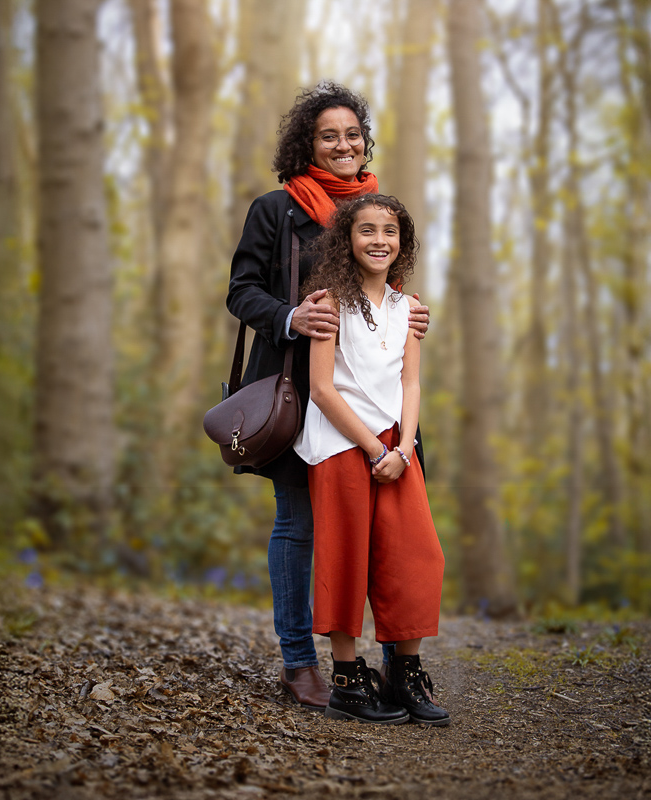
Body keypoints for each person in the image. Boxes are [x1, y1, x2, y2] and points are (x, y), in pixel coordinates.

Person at [225, 82, 430, 711]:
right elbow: (241, 291)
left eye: (351, 134)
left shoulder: (376, 209)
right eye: (327, 136)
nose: (343, 145)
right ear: (307, 145)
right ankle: (299, 664)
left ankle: (401, 666)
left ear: (365, 140)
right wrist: (292, 318)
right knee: (299, 525)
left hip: (374, 395)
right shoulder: (276, 209)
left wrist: (410, 313)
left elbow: (385, 289)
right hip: (301, 390)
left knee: (394, 527)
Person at [293, 194, 448, 726]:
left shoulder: (410, 308)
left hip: (396, 448)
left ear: (402, 241)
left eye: (390, 230)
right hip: (341, 444)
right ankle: (347, 680)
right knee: (345, 556)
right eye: (367, 230)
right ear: (347, 240)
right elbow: (320, 388)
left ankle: (407, 674)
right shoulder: (329, 302)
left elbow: (411, 381)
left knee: (416, 553)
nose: (379, 240)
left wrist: (404, 449)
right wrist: (374, 447)